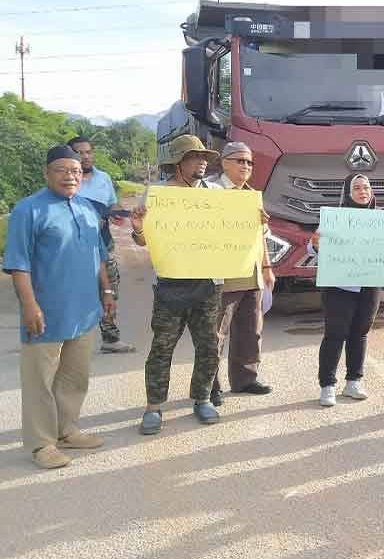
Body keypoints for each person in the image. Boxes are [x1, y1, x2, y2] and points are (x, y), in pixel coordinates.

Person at [3, 145, 115, 468]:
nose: (70, 176)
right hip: (46, 312)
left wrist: (107, 291)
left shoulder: (86, 208)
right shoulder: (28, 210)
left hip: (84, 310)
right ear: (46, 173)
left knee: (74, 376)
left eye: (76, 171)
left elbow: (99, 255)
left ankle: (67, 430)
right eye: (62, 170)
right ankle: (42, 444)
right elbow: (19, 264)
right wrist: (29, 305)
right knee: (39, 380)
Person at [129, 135, 225, 434]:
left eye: (204, 157)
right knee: (162, 347)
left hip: (208, 283)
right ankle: (153, 407)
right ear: (178, 163)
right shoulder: (158, 194)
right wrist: (138, 230)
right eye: (194, 157)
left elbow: (232, 231)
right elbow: (143, 240)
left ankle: (202, 399)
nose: (202, 162)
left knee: (209, 346)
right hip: (171, 283)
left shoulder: (216, 193)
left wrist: (253, 223)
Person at [308, 174, 384, 406]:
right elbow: (313, 249)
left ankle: (353, 382)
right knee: (335, 333)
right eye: (357, 188)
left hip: (370, 285)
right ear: (348, 194)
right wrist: (315, 243)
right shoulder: (336, 219)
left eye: (366, 187)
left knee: (360, 333)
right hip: (339, 285)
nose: (363, 192)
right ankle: (327, 385)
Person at [205, 141, 275, 406]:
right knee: (215, 333)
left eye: (249, 162)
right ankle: (209, 386)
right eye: (240, 160)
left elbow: (260, 236)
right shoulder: (209, 191)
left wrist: (267, 267)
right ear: (224, 162)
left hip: (251, 272)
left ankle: (245, 379)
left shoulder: (252, 195)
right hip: (221, 273)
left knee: (250, 329)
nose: (246, 166)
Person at [71, 136, 136, 354]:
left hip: (103, 245)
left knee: (109, 290)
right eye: (80, 152)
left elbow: (111, 204)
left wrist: (118, 213)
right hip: (73, 248)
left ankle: (110, 338)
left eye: (88, 152)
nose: (85, 156)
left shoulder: (104, 178)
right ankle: (70, 340)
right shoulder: (66, 180)